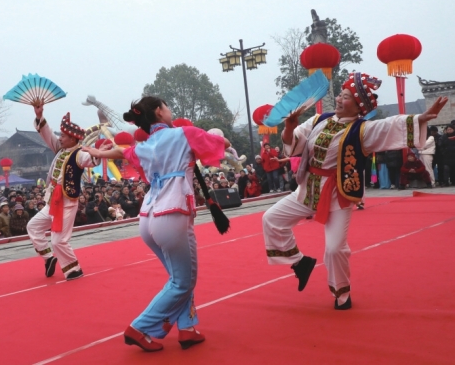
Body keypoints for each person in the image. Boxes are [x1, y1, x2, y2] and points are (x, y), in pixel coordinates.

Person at [261, 72, 447, 311]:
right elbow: (293, 143)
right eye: (340, 94)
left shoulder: (363, 130)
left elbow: (389, 126)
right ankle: (299, 263)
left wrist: (420, 118)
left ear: (359, 107)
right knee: (271, 219)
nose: (339, 99)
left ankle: (342, 293)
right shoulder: (319, 120)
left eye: (346, 97)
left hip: (338, 194)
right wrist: (289, 127)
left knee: (335, 248)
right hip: (308, 189)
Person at [83, 96, 228, 352]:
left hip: (148, 218)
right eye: (167, 106)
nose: (170, 109)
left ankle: (187, 327)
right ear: (160, 112)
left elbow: (121, 151)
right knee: (183, 281)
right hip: (173, 213)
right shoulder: (184, 134)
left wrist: (97, 152)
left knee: (179, 278)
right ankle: (140, 328)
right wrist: (220, 137)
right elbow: (221, 144)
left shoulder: (144, 146)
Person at [26, 105, 101, 280]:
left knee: (58, 240)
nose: (60, 138)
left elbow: (92, 160)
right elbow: (46, 133)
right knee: (33, 227)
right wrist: (39, 115)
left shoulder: (79, 154)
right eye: (60, 135)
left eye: (64, 136)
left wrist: (98, 152)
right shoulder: (59, 148)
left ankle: (73, 270)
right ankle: (48, 258)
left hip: (66, 203)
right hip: (52, 202)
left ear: (73, 139)